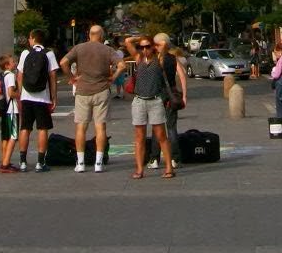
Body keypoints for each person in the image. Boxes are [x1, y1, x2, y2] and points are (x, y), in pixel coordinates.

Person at [59, 24, 123, 173]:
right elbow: (122, 65)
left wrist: (72, 78)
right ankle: (98, 162)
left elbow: (63, 62)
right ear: (101, 35)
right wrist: (112, 78)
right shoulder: (107, 50)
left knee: (81, 127)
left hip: (82, 91)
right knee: (100, 127)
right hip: (101, 90)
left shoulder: (79, 48)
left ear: (89, 35)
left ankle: (80, 162)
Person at [130, 37, 174, 178]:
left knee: (161, 135)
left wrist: (153, 43)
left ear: (153, 47)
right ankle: (139, 169)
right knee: (139, 137)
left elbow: (165, 44)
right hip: (139, 101)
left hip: (155, 101)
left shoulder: (159, 59)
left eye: (147, 47)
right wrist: (139, 38)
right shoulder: (138, 58)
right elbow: (127, 42)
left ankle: (168, 168)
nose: (144, 50)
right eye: (141, 47)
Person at [16, 29, 59, 172]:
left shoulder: (25, 53)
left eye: (29, 38)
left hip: (26, 96)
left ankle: (22, 162)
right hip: (42, 97)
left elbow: (20, 75)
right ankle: (40, 162)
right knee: (42, 129)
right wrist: (53, 97)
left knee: (25, 128)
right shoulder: (49, 53)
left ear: (33, 39)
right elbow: (52, 76)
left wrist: (20, 94)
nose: (29, 40)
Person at [148, 33, 187, 169]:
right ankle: (174, 159)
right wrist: (184, 96)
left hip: (156, 95)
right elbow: (182, 76)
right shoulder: (173, 58)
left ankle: (154, 159)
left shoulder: (154, 59)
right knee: (171, 127)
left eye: (156, 44)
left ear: (161, 44)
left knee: (156, 128)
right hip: (171, 95)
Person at [0, 54, 21, 173]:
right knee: (13, 136)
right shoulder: (11, 75)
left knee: (5, 137)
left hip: (4, 110)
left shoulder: (3, 76)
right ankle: (6, 164)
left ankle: (4, 160)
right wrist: (20, 95)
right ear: (7, 65)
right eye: (13, 62)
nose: (15, 63)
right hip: (12, 109)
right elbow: (11, 93)